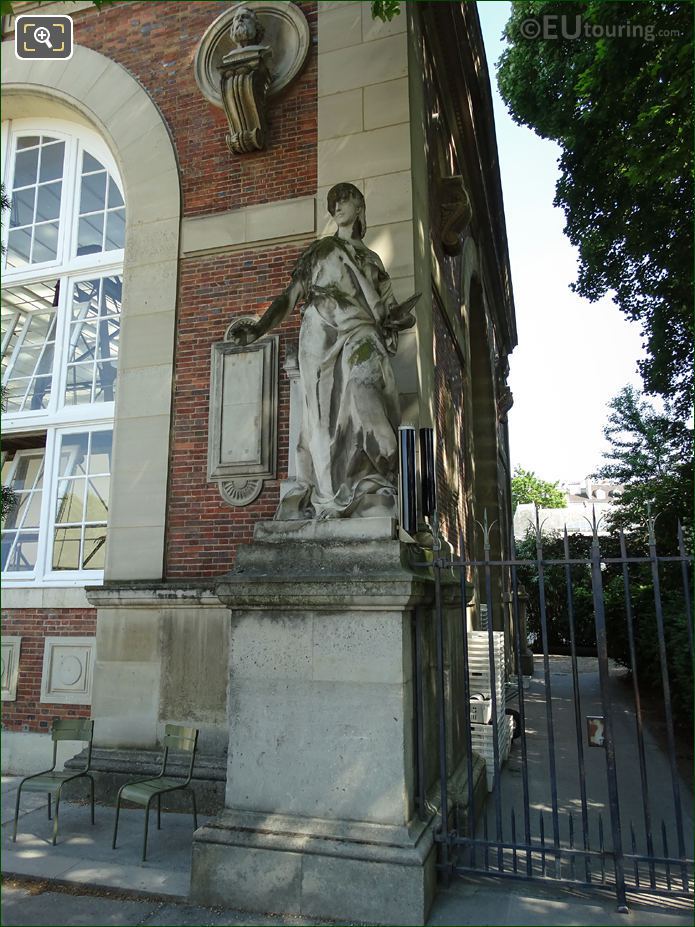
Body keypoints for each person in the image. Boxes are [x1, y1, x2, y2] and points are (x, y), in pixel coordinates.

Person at [229, 183, 419, 519]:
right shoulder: (321, 250)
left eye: (344, 200)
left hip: (361, 332)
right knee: (318, 413)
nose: (337, 207)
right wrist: (258, 327)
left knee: (366, 391)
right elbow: (290, 297)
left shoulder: (371, 260)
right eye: (332, 203)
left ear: (359, 205)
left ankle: (378, 473)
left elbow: (388, 310)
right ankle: (329, 493)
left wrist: (400, 319)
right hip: (319, 328)